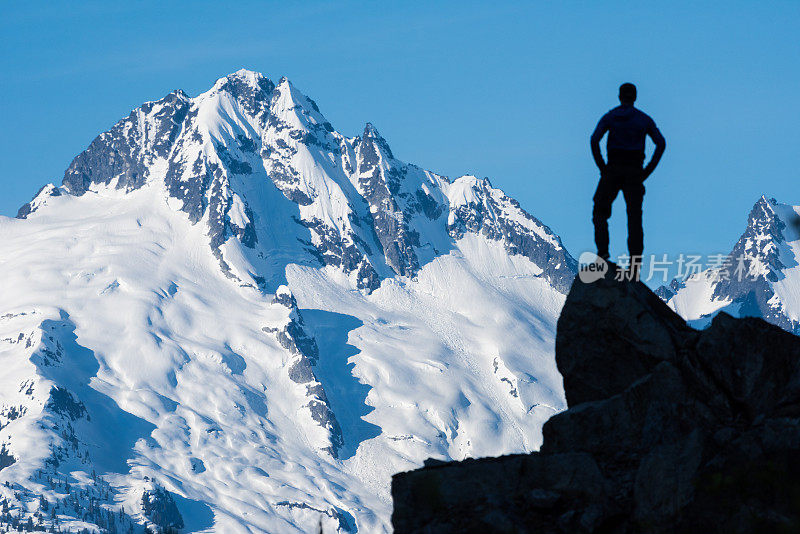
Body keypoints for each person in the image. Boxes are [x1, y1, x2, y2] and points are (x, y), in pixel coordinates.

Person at [590, 83, 665, 278]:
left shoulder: (611, 116)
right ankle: (634, 268)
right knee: (634, 218)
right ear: (635, 97)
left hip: (613, 169)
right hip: (634, 171)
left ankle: (603, 255)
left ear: (619, 96)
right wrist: (646, 172)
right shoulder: (643, 119)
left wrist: (602, 167)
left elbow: (594, 139)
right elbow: (661, 143)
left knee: (600, 210)